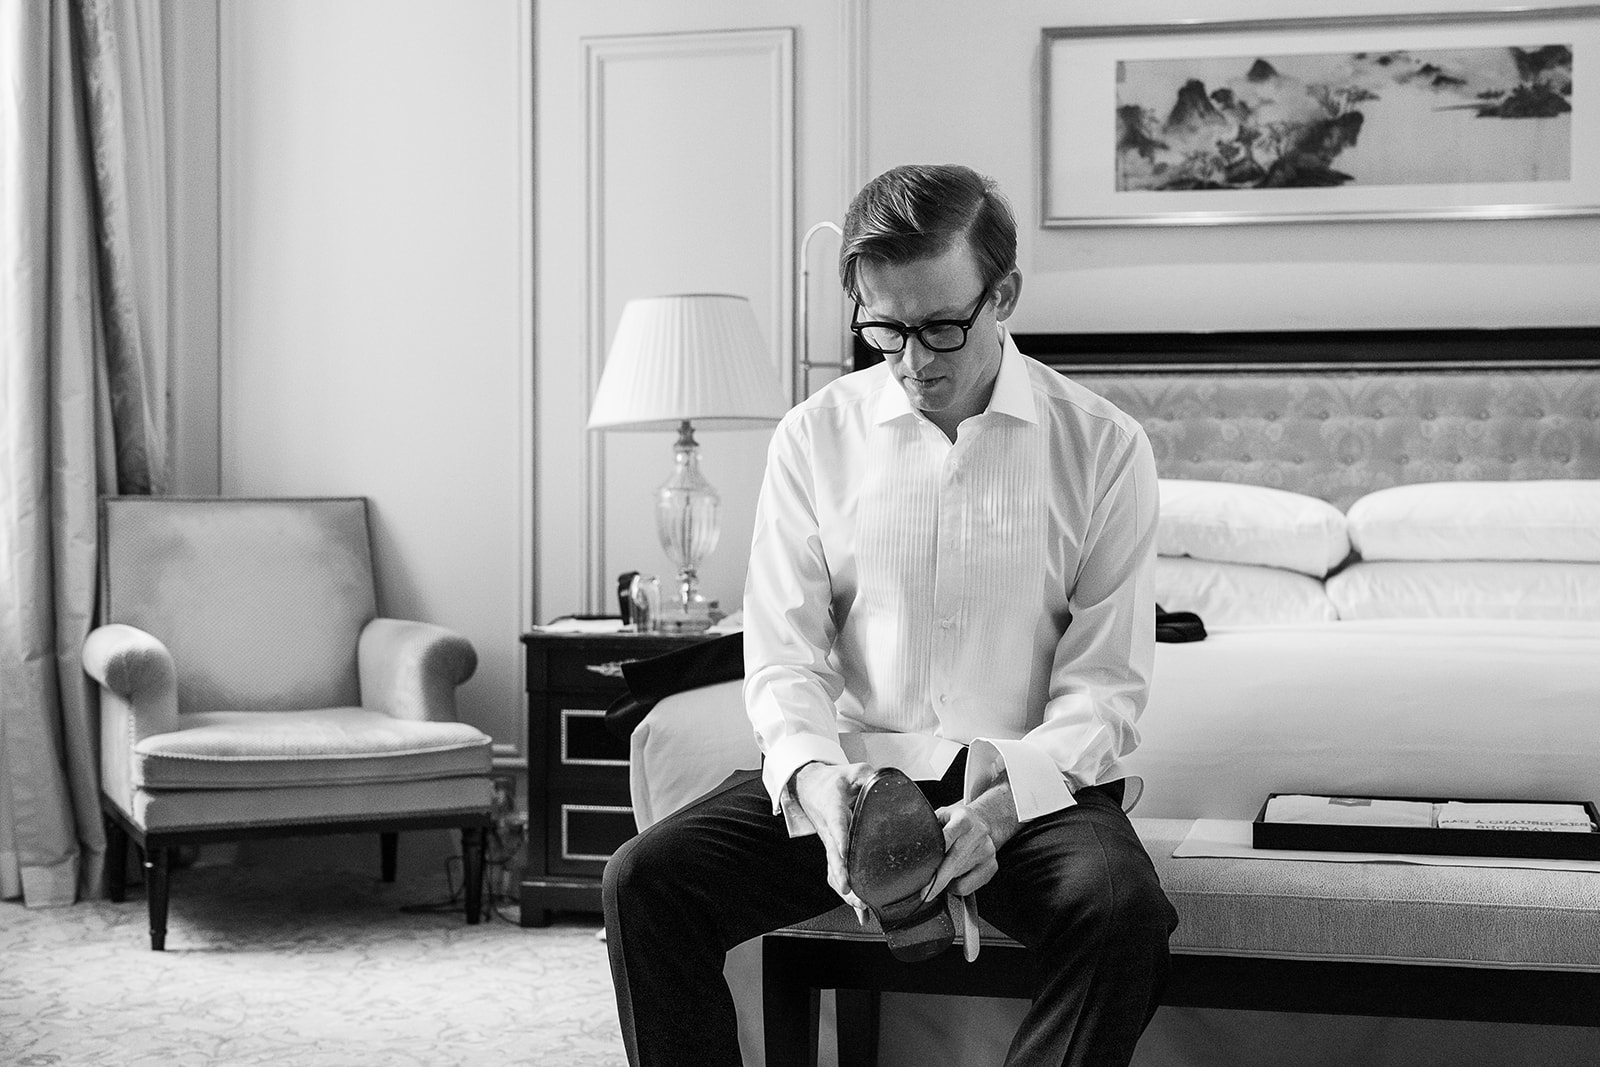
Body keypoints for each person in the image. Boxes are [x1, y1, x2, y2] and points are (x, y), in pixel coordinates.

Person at [604, 163, 1177, 1067]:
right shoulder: (811, 437)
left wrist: (998, 810)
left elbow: (1105, 687)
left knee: (1123, 912)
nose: (913, 360)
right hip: (856, 773)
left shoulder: (1104, 447)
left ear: (1006, 296)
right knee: (645, 879)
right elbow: (784, 656)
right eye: (884, 329)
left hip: (1027, 789)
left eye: (942, 326)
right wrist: (816, 784)